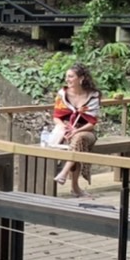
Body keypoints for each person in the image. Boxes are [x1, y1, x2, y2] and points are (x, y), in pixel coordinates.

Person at [52, 63, 102, 198]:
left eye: (71, 76)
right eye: (66, 76)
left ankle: (63, 173)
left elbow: (92, 122)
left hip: (86, 131)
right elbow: (56, 117)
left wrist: (76, 131)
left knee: (79, 139)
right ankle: (75, 188)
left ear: (81, 78)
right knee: (77, 143)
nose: (67, 79)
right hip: (66, 129)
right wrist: (64, 127)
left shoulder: (92, 95)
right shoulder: (62, 94)